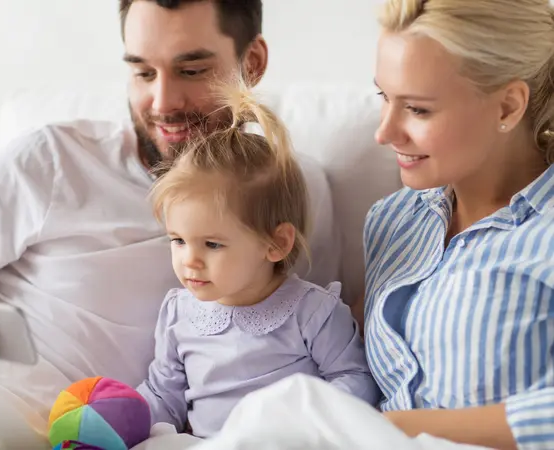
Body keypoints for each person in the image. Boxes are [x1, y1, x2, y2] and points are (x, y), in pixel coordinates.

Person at [0, 1, 338, 448]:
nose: (162, 103)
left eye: (192, 70)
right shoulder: (53, 159)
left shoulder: (294, 192)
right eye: (142, 71)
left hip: (105, 434)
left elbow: (315, 334)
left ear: (251, 63)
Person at [188, 1, 554, 450]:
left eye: (418, 109)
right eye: (384, 97)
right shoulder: (396, 222)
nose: (384, 132)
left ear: (508, 106)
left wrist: (390, 429)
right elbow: (336, 348)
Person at [135, 82, 378, 438]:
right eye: (178, 241)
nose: (190, 261)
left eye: (212, 245)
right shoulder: (178, 314)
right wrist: (122, 421)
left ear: (276, 244)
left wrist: (301, 426)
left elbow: (356, 380)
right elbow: (163, 394)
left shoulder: (313, 313)